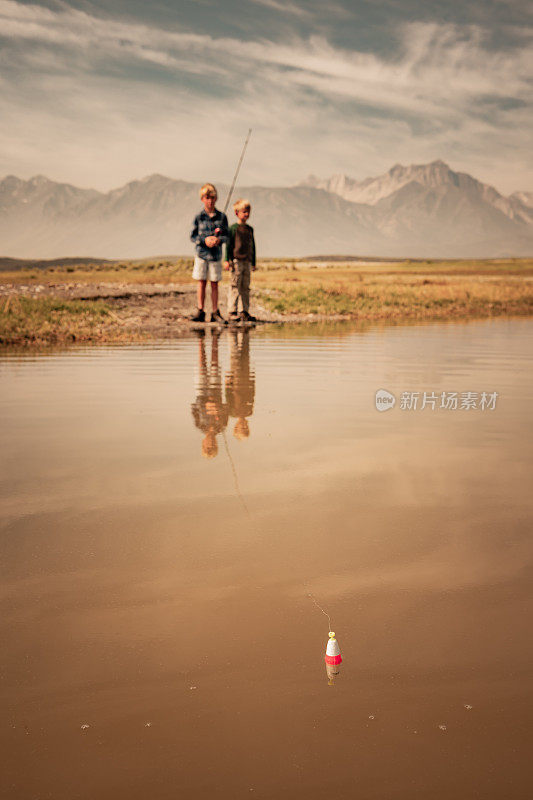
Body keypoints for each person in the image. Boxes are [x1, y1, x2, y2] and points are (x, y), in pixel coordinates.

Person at [190, 183, 229, 323]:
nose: (210, 200)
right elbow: (193, 236)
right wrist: (204, 240)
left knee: (214, 283)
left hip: (215, 256)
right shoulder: (198, 217)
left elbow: (227, 236)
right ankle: (200, 311)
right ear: (202, 199)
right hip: (201, 254)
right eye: (207, 197)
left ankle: (214, 312)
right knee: (201, 282)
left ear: (216, 198)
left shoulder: (222, 217)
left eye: (212, 197)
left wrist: (218, 241)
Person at [223, 198, 257, 323]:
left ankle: (244, 311)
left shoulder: (250, 229)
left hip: (247, 262)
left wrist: (253, 262)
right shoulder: (233, 228)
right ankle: (232, 311)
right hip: (236, 261)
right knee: (235, 286)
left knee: (245, 287)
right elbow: (228, 245)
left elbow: (252, 246)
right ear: (237, 213)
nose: (246, 214)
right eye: (244, 212)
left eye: (248, 211)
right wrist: (227, 260)